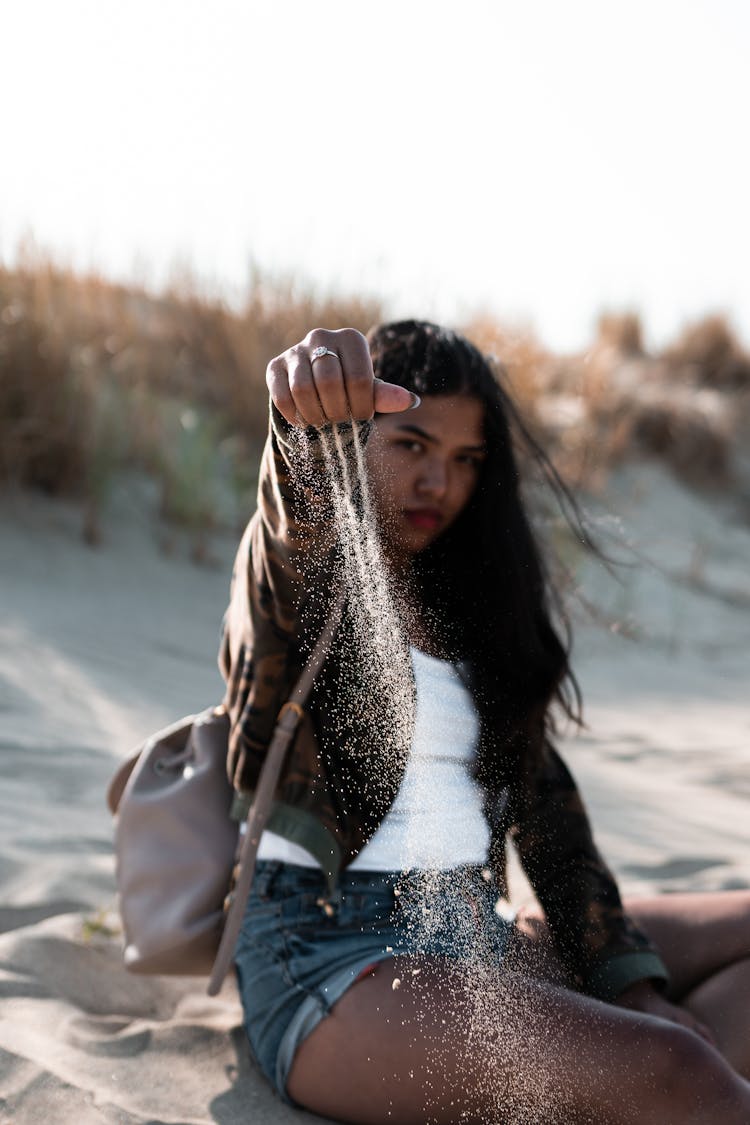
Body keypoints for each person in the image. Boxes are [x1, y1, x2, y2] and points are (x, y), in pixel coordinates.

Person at [219, 321, 750, 1123]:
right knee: (682, 1066)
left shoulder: (477, 625)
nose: (440, 481)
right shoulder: (310, 594)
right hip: (330, 958)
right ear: (355, 436)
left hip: (476, 932)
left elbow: (554, 831)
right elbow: (286, 528)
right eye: (412, 444)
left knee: (705, 1025)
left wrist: (636, 989)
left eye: (467, 460)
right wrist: (300, 426)